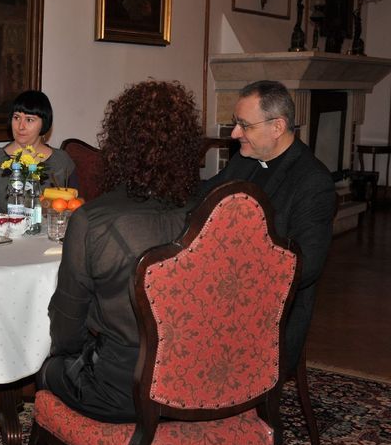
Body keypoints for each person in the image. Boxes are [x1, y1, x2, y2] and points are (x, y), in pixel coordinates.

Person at [37, 80, 203, 422]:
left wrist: (76, 355)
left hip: (124, 393)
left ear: (119, 145)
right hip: (200, 379)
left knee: (47, 369)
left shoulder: (91, 220)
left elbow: (67, 329)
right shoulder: (211, 210)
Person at [199, 80, 336, 372]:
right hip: (221, 293)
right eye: (236, 123)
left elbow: (306, 266)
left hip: (269, 315)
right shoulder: (247, 159)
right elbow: (203, 197)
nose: (235, 134)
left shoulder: (313, 182)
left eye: (245, 125)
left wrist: (232, 278)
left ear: (277, 127)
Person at [0, 90, 77, 214]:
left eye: (29, 120)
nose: (21, 126)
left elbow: (76, 213)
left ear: (44, 123)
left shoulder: (62, 162)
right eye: (16, 118)